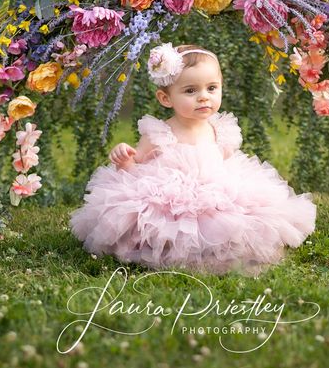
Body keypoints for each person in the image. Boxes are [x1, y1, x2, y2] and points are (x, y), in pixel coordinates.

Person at [69, 42, 316, 276]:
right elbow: (135, 169)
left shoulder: (221, 129)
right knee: (165, 229)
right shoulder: (159, 132)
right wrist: (124, 160)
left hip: (216, 194)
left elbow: (227, 165)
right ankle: (174, 251)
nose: (203, 97)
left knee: (239, 219)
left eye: (212, 88)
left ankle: (232, 248)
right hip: (171, 199)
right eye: (190, 90)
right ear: (166, 98)